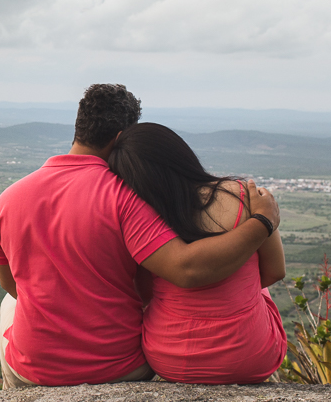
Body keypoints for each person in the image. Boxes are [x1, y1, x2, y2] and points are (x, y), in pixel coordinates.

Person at [0, 84, 280, 388]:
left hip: (34, 368)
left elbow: (11, 284)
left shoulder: (9, 198)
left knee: (9, 305)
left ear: (79, 127)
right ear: (121, 140)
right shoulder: (125, 196)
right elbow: (185, 269)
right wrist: (262, 221)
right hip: (120, 368)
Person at [107, 122, 286, 384]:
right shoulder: (243, 196)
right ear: (180, 153)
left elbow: (144, 292)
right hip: (250, 357)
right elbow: (274, 271)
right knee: (256, 287)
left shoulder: (139, 217)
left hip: (170, 359)